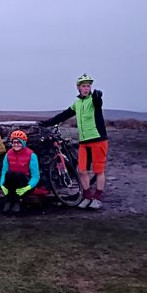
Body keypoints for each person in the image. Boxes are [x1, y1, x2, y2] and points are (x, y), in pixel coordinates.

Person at [40, 73, 108, 210]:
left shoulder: (94, 99)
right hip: (84, 141)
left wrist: (98, 95)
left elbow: (98, 102)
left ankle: (97, 198)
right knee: (81, 170)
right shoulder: (77, 103)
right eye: (84, 86)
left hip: (98, 139)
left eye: (88, 86)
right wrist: (46, 123)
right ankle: (87, 196)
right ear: (78, 88)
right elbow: (64, 115)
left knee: (98, 170)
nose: (86, 88)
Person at [0, 130, 40, 214]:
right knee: (9, 174)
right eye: (14, 142)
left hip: (24, 183)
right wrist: (2, 185)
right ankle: (9, 200)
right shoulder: (8, 154)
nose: (16, 144)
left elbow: (36, 176)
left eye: (19, 142)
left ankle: (18, 201)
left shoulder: (31, 155)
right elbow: (4, 172)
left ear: (23, 143)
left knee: (18, 174)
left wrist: (27, 187)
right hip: (11, 183)